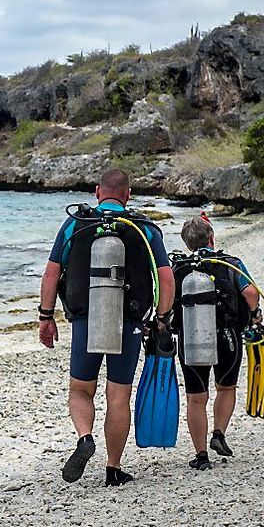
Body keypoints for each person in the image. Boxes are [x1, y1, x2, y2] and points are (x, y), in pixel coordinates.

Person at [39, 169, 175, 486]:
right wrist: (162, 318)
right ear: (127, 195)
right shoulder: (144, 228)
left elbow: (50, 274)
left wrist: (46, 316)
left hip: (87, 317)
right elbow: (166, 278)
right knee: (118, 396)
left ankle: (85, 437)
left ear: (98, 192)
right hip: (129, 320)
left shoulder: (76, 223)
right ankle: (113, 469)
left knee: (81, 389)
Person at [172, 217, 262, 471]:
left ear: (187, 243)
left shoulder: (179, 267)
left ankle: (200, 456)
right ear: (211, 237)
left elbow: (166, 299)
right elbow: (251, 292)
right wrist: (255, 314)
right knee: (225, 388)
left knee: (196, 397)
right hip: (227, 336)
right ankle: (219, 433)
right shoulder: (230, 263)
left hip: (189, 337)